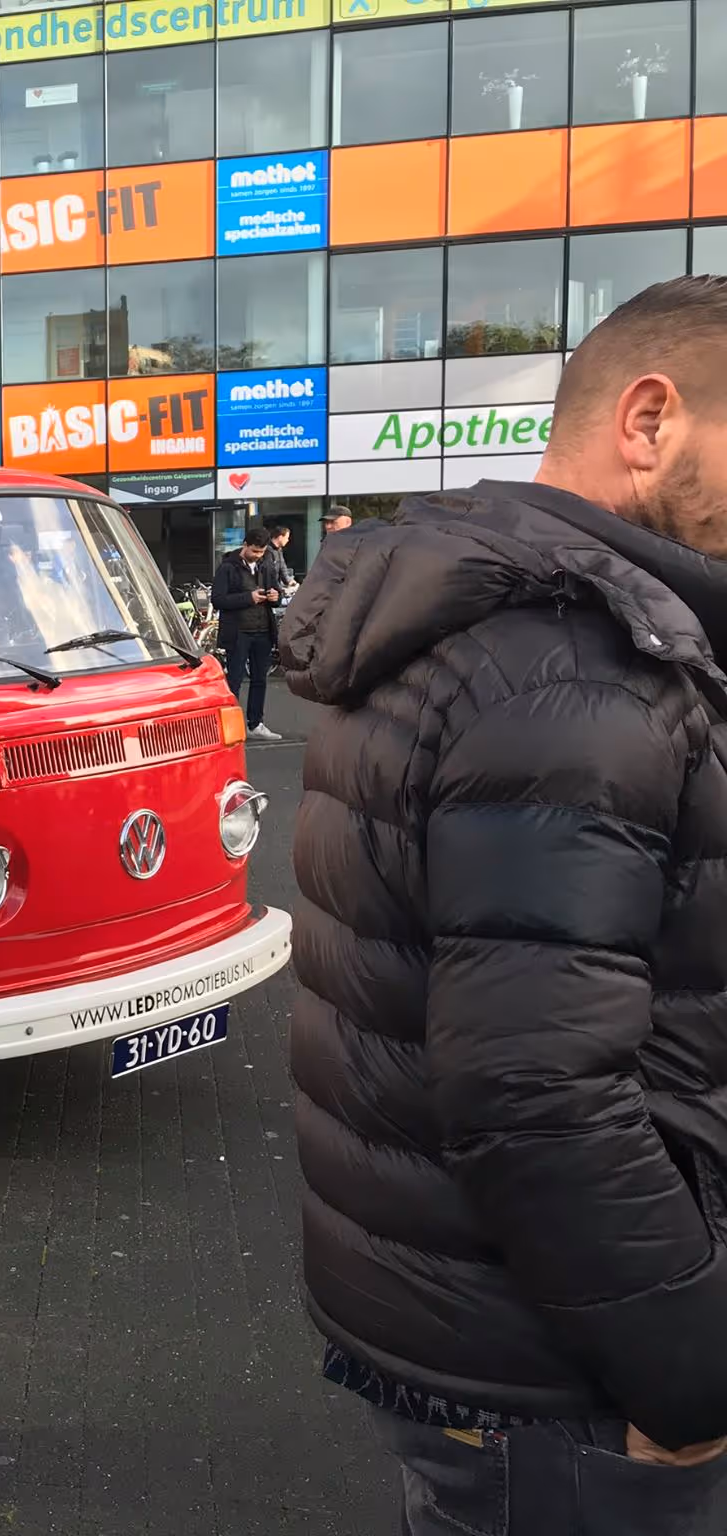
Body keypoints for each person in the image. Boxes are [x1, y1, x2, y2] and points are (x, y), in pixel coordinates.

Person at [282, 275, 727, 1534]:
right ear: (648, 421)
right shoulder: (572, 669)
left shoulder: (475, 627)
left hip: (468, 1327)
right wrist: (686, 1373)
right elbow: (534, 1091)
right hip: (565, 1380)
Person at [211, 526, 281, 742]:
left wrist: (274, 596)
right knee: (234, 680)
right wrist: (248, 598)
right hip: (238, 632)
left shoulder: (267, 564)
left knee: (260, 679)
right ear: (245, 545)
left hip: (262, 629)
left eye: (261, 552)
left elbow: (276, 594)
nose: (258, 556)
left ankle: (255, 723)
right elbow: (218, 600)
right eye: (254, 551)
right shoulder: (227, 568)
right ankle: (229, 726)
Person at [262, 522, 298, 592]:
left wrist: (288, 581)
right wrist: (280, 589)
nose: (288, 540)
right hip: (270, 589)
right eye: (287, 538)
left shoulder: (279, 549)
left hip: (276, 587)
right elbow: (269, 574)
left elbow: (282, 566)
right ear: (280, 537)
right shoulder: (268, 551)